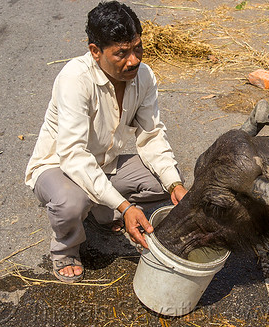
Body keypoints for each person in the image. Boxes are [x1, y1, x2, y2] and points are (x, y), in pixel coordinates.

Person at [25, 1, 187, 283]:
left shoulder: (144, 76)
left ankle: (101, 210)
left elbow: (151, 135)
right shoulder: (74, 79)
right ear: (95, 51)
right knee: (71, 203)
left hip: (104, 164)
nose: (133, 60)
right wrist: (125, 207)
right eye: (122, 53)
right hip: (58, 167)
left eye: (137, 48)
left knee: (167, 180)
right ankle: (65, 249)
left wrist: (175, 183)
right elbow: (73, 155)